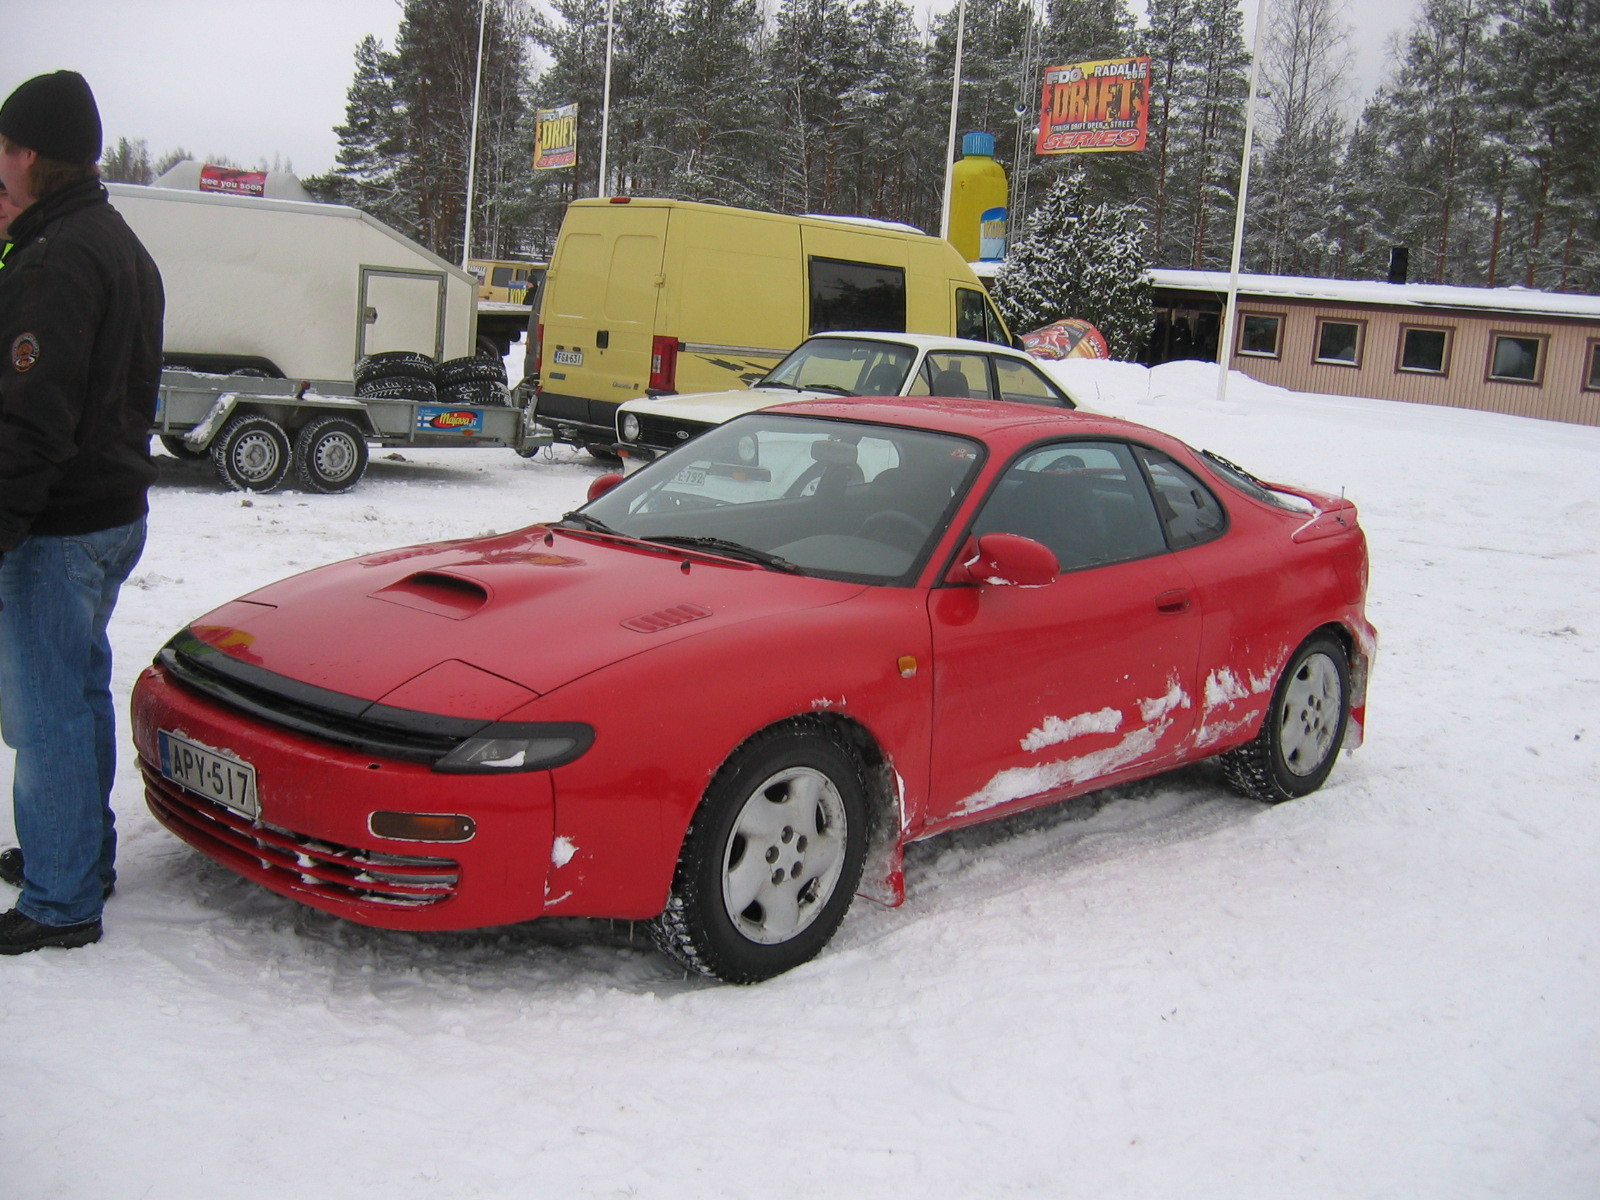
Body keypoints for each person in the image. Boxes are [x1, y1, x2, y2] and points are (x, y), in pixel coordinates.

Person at [0, 71, 163, 954]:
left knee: (47, 711)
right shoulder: (118, 242)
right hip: (109, 513)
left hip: (57, 526)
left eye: (1, 151)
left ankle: (61, 898)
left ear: (29, 153)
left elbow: (32, 418)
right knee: (77, 692)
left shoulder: (57, 258)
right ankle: (78, 856)